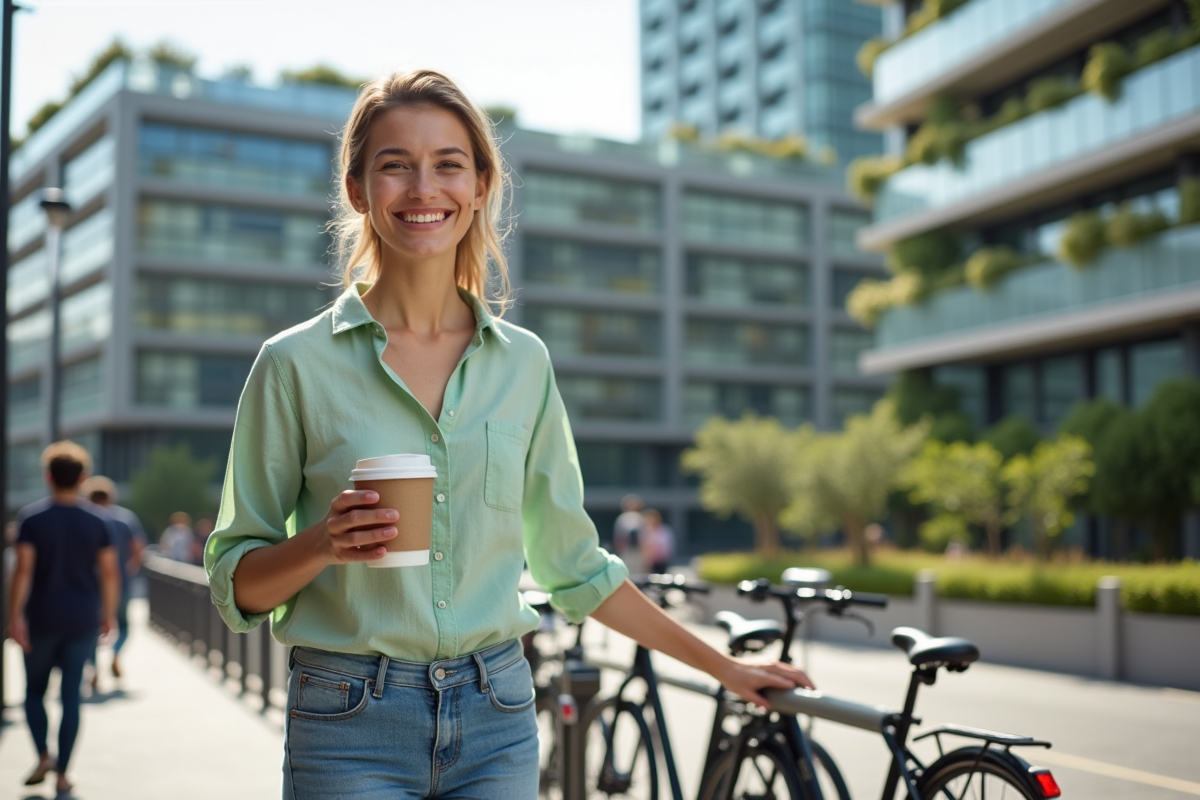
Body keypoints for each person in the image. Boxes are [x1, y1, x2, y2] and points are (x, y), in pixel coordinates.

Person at [205, 70, 810, 799]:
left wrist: (727, 669)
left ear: (482, 185)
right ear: (359, 189)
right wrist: (323, 544)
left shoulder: (524, 363)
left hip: (498, 714)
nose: (424, 188)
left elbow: (576, 569)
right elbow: (236, 581)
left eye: (449, 164)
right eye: (396, 165)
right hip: (347, 721)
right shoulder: (293, 364)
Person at [7, 441, 119, 796]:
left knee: (35, 692)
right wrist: (110, 614)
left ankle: (42, 755)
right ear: (83, 477)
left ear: (48, 477)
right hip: (82, 618)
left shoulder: (32, 519)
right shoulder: (97, 522)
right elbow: (109, 574)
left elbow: (23, 572)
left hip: (40, 618)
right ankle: (63, 775)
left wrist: (14, 617)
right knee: (71, 695)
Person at [82, 475, 147, 679]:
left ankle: (92, 667)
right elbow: (138, 549)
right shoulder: (126, 518)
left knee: (91, 630)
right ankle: (115, 653)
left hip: (91, 586)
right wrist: (130, 569)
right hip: (121, 583)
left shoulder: (86, 518)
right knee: (125, 626)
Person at [612, 492, 645, 575]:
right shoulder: (625, 518)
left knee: (633, 571)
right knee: (630, 571)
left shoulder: (639, 518)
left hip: (636, 550)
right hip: (628, 549)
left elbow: (645, 537)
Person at [640, 508, 676, 575]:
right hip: (649, 562)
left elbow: (668, 546)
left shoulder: (665, 530)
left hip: (662, 561)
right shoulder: (646, 531)